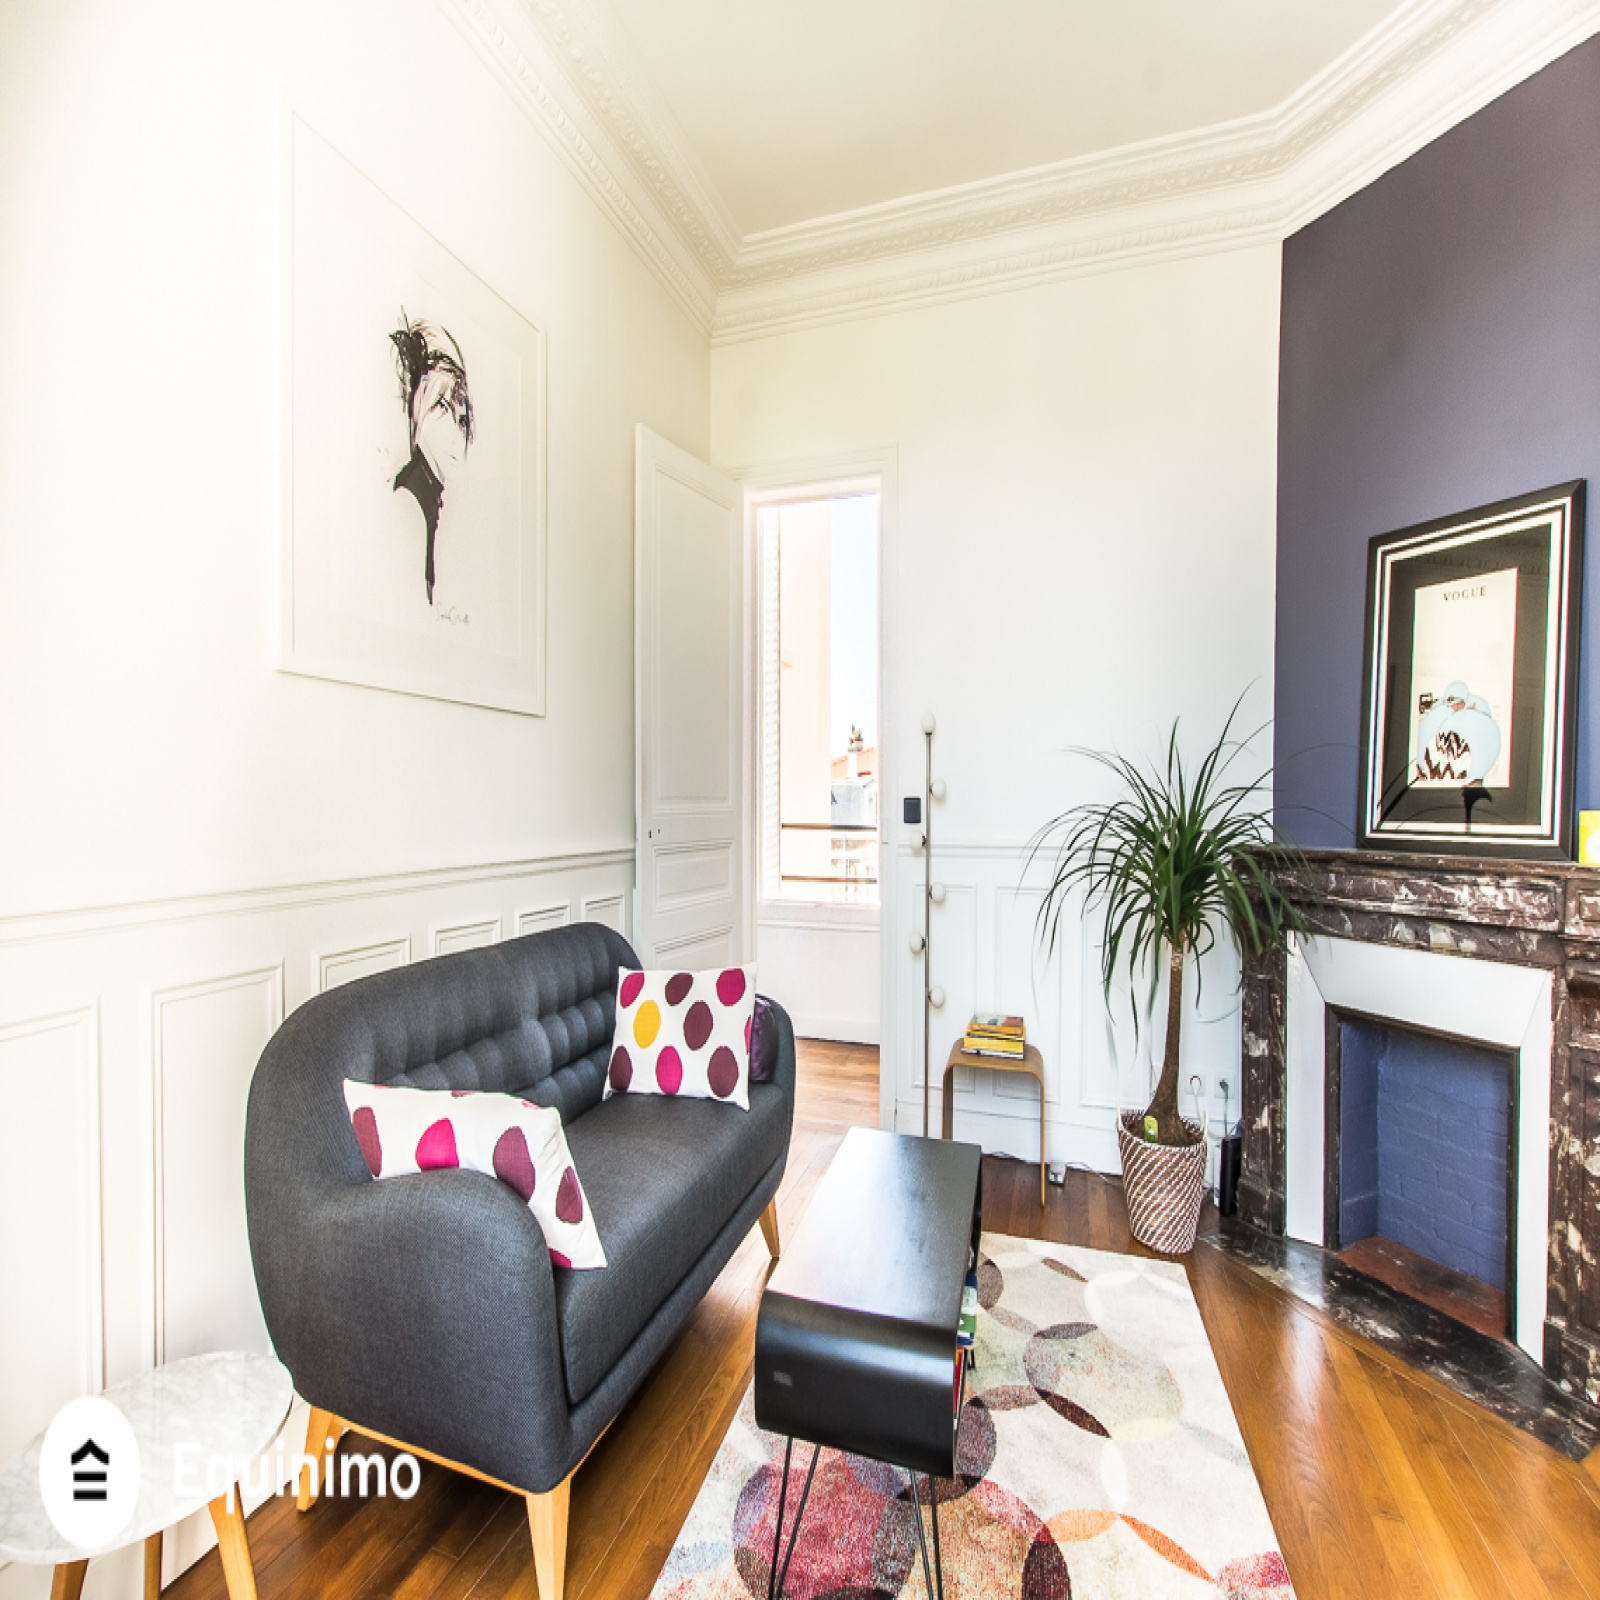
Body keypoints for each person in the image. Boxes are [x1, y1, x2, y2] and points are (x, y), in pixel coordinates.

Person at [389, 311, 475, 605]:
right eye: (441, 407)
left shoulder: (433, 500)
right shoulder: (408, 501)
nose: (456, 432)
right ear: (418, 410)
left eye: (461, 418)